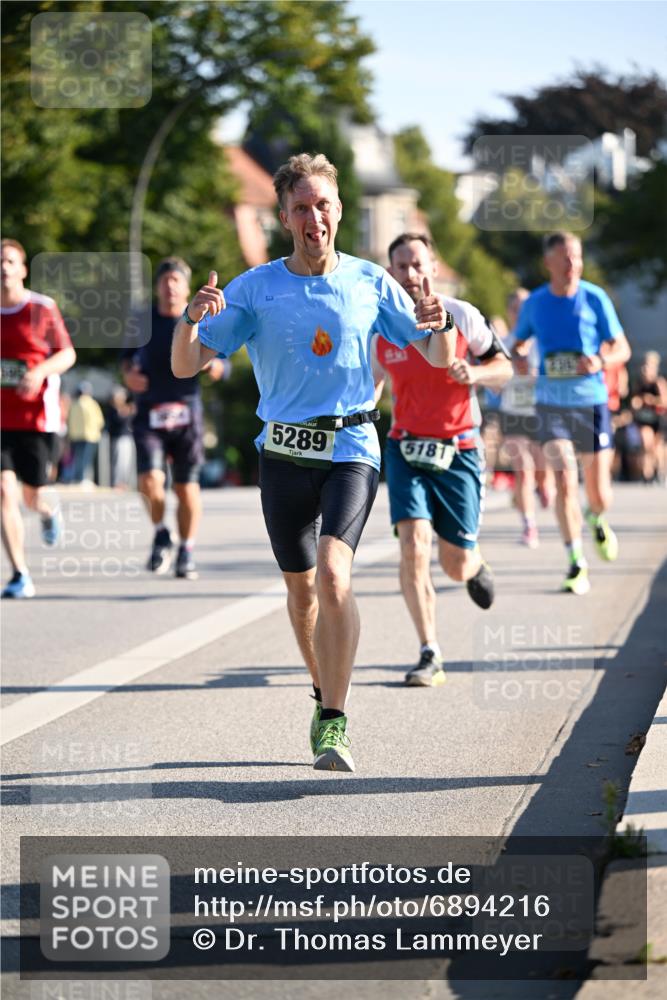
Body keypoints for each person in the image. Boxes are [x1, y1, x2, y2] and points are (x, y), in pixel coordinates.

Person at [171, 153, 457, 772]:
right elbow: (185, 365)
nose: (313, 217)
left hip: (354, 446)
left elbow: (433, 354)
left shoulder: (370, 281)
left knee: (333, 575)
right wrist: (191, 318)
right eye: (300, 207)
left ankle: (334, 717)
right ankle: (322, 690)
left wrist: (440, 330)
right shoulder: (255, 287)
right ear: (283, 217)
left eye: (322, 204)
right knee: (302, 592)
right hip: (282, 454)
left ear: (338, 212)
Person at [372, 233, 512, 687]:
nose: (410, 274)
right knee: (413, 544)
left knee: (453, 565)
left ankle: (473, 564)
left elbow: (505, 369)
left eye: (417, 264)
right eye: (401, 266)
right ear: (390, 272)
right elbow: (370, 388)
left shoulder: (464, 315)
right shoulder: (381, 325)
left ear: (433, 266)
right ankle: (429, 650)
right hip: (406, 446)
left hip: (459, 449)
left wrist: (476, 371)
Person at [512, 232, 631, 595]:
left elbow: (622, 348)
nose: (572, 265)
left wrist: (601, 359)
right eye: (564, 258)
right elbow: (517, 343)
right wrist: (518, 359)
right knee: (564, 477)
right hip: (551, 404)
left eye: (576, 257)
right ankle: (576, 561)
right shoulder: (535, 303)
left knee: (599, 494)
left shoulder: (594, 298)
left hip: (591, 402)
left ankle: (596, 516)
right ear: (548, 263)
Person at [121, 257, 227, 580]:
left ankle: (186, 550)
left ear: (185, 287)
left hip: (186, 413)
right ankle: (160, 532)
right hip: (150, 412)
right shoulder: (142, 321)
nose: (169, 286)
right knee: (150, 482)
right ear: (157, 287)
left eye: (176, 281)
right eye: (164, 281)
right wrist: (129, 377)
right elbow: (125, 361)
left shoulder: (202, 320)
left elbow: (223, 366)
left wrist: (211, 366)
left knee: (186, 489)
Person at [1, 238, 76, 598]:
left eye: (10, 262)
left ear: (22, 269)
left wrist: (38, 372)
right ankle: (19, 573)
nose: (3, 268)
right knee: (4, 492)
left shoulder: (41, 308)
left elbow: (67, 354)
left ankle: (47, 512)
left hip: (35, 419)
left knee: (32, 498)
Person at [498, 288, 554, 548]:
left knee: (542, 472)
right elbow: (493, 380)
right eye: (516, 308)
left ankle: (544, 488)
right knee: (523, 467)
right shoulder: (503, 343)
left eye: (525, 308)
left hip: (540, 413)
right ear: (511, 312)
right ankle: (529, 526)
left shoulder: (542, 342)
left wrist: (534, 375)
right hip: (513, 413)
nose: (521, 313)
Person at [630, 351, 667, 484]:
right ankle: (647, 473)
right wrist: (637, 402)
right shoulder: (639, 383)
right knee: (646, 444)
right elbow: (634, 401)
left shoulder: (659, 382)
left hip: (657, 418)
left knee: (657, 447)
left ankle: (660, 471)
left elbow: (664, 401)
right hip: (644, 418)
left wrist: (650, 400)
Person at [66, 381, 105, 485]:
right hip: (90, 436)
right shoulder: (91, 403)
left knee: (78, 458)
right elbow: (99, 420)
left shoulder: (74, 404)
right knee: (85, 459)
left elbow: (69, 420)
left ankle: (76, 478)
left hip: (75, 436)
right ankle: (81, 479)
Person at [105, 386, 135, 489]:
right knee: (117, 462)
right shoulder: (113, 409)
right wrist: (125, 412)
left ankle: (123, 482)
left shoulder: (125, 408)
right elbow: (117, 421)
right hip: (117, 437)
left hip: (127, 437)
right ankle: (116, 483)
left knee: (126, 462)